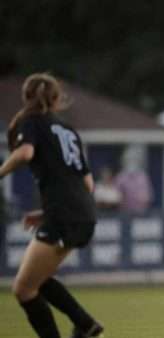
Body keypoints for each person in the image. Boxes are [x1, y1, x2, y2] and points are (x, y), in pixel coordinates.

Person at [0, 73, 103, 338]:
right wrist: (49, 211)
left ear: (26, 97)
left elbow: (25, 153)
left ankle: (85, 325)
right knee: (37, 280)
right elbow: (88, 185)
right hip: (83, 214)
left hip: (63, 215)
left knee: (23, 289)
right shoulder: (67, 130)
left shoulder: (32, 121)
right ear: (57, 98)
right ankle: (86, 325)